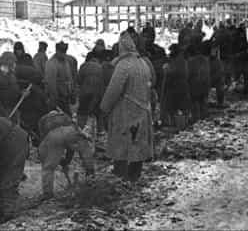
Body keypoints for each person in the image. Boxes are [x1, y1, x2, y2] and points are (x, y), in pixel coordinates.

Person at [100, 33, 154, 183]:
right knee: (138, 143)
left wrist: (104, 107)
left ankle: (120, 176)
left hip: (125, 111)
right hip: (143, 109)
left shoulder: (123, 65)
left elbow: (114, 89)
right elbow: (151, 84)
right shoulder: (143, 63)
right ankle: (135, 175)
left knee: (121, 144)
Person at [38, 111, 94, 200]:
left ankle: (47, 194)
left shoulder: (43, 122)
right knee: (85, 152)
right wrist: (66, 160)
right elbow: (70, 148)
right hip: (71, 131)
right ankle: (91, 177)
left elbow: (45, 149)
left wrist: (62, 160)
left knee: (48, 168)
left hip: (53, 136)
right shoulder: (64, 116)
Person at [0, 52, 22, 122]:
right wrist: (4, 115)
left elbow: (14, 92)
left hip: (13, 111)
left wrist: (22, 94)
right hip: (2, 115)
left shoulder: (12, 76)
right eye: (13, 63)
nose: (15, 65)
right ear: (8, 64)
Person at [44, 42, 75, 116]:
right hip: (57, 97)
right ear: (57, 50)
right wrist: (54, 98)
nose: (63, 53)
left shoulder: (65, 62)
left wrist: (72, 92)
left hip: (65, 96)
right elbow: (51, 82)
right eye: (61, 51)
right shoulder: (52, 63)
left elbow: (69, 78)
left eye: (64, 51)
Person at [163, 44, 190, 126]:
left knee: (175, 107)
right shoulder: (178, 60)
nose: (170, 53)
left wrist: (167, 70)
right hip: (177, 87)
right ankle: (179, 123)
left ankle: (178, 124)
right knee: (175, 107)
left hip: (177, 87)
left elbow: (176, 72)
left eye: (171, 51)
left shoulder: (180, 61)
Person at [76, 52, 105, 129]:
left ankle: (80, 129)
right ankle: (95, 132)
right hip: (96, 95)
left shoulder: (84, 65)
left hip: (84, 93)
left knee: (82, 111)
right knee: (94, 114)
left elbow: (78, 79)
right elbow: (103, 83)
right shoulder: (101, 67)